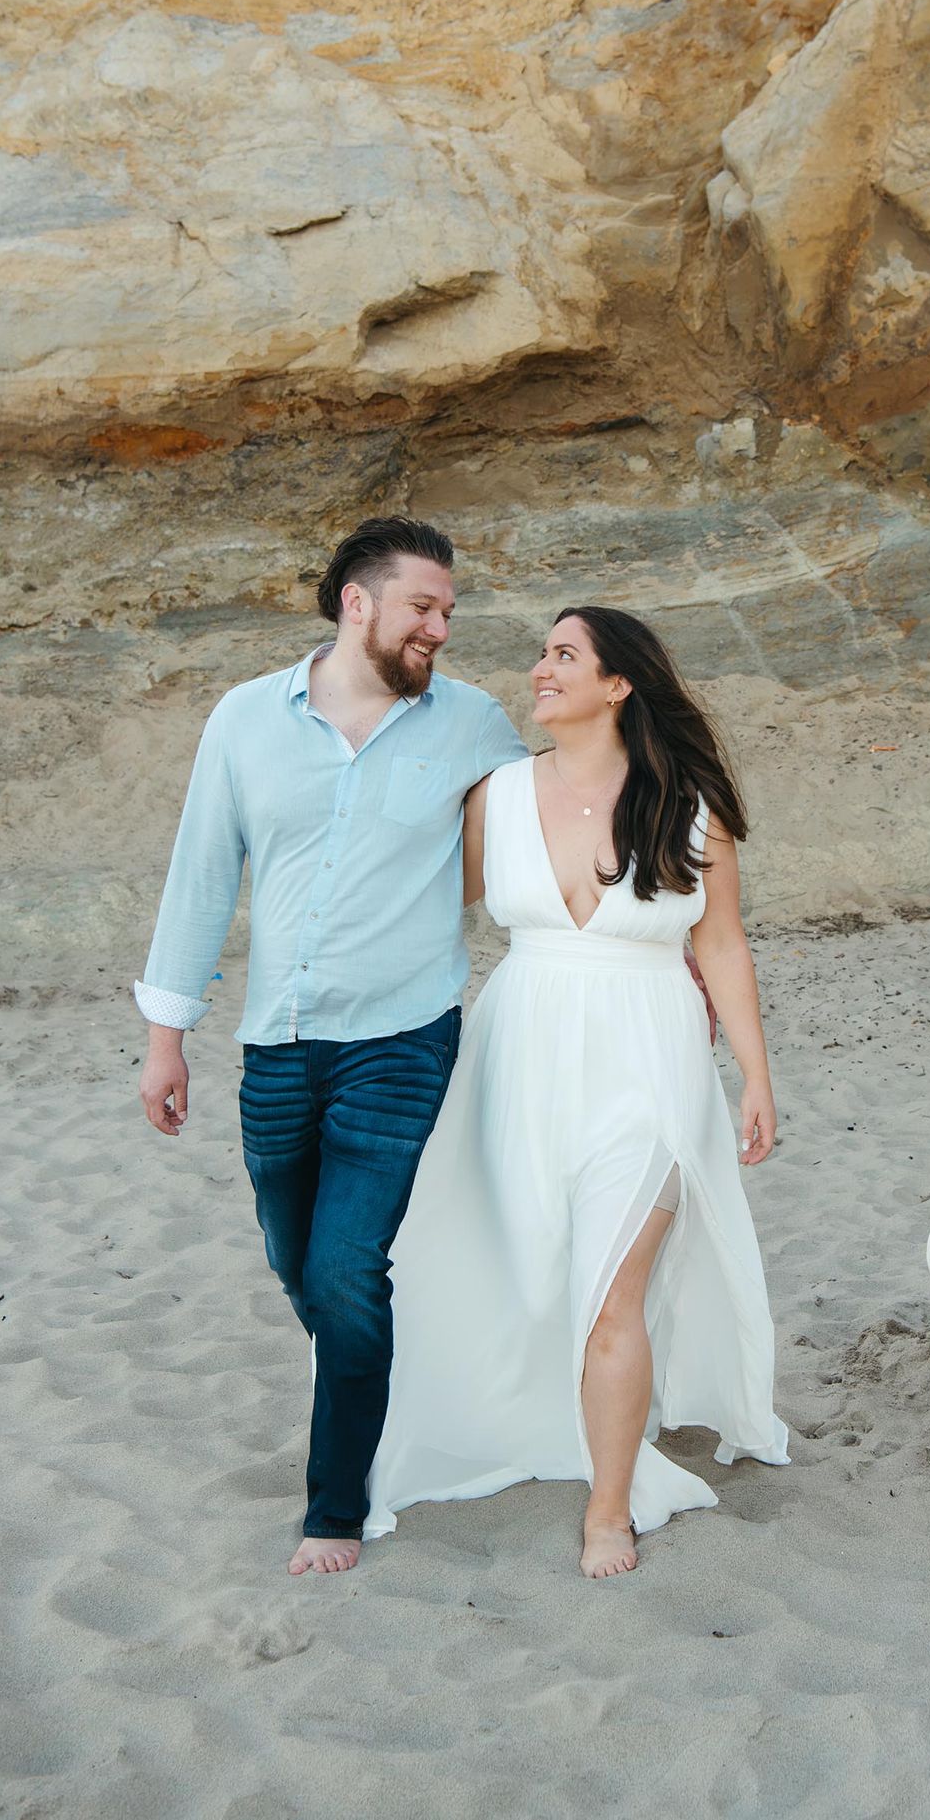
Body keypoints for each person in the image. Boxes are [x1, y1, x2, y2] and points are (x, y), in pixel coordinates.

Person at [135, 516, 527, 1575]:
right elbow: (200, 876)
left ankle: (335, 1507)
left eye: (447, 611)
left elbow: (554, 829)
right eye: (423, 608)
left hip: (405, 1037)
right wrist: (166, 1037)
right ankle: (385, 1378)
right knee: (296, 1259)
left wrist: (662, 932)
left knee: (349, 1271)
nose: (440, 628)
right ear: (357, 602)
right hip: (279, 1040)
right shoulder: (244, 720)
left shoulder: (475, 724)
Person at [366, 606, 789, 1577]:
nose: (539, 669)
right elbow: (426, 918)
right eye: (541, 653)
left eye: (563, 655)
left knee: (609, 1290)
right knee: (507, 1268)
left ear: (617, 683)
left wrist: (755, 1073)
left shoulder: (689, 803)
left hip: (650, 1058)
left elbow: (718, 940)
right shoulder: (499, 795)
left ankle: (608, 1506)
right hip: (515, 1054)